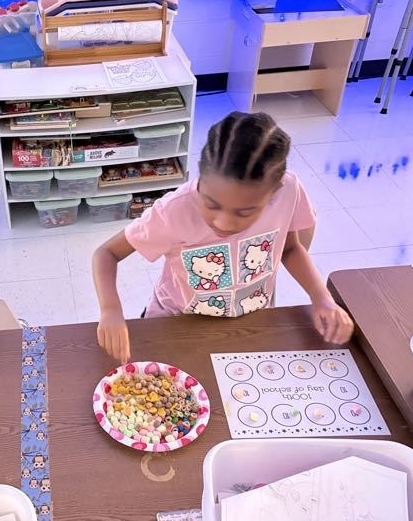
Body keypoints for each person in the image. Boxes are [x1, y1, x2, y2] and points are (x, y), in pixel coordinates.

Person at [93, 111, 354, 363]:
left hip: (250, 322)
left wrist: (321, 297)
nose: (224, 223)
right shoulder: (174, 210)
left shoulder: (288, 191)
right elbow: (106, 253)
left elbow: (290, 248)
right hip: (177, 323)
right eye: (211, 204)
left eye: (245, 212)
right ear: (200, 173)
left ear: (275, 190)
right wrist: (111, 310)